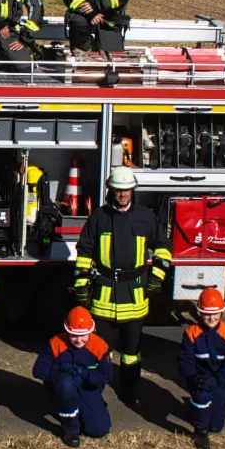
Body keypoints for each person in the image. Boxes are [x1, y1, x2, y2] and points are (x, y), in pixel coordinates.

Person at [72, 166, 171, 405]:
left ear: (132, 191)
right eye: (118, 190)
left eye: (127, 190)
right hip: (104, 293)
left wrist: (157, 276)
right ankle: (93, 389)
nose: (123, 194)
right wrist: (81, 283)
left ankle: (129, 390)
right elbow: (84, 251)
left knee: (131, 352)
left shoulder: (145, 217)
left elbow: (164, 247)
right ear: (111, 191)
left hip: (135, 293)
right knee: (98, 347)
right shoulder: (99, 217)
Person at [32, 306, 114, 448]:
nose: (78, 340)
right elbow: (38, 370)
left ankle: (91, 407)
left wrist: (83, 373)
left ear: (91, 331)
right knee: (65, 384)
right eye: (73, 335)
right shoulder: (56, 343)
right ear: (67, 331)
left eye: (83, 335)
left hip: (88, 387)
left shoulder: (99, 346)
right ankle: (70, 429)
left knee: (99, 430)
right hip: (64, 385)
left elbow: (106, 375)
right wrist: (59, 371)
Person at [177, 288, 225, 449]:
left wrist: (218, 379)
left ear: (222, 312)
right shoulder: (190, 333)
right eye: (206, 314)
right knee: (201, 396)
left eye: (216, 313)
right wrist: (194, 377)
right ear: (199, 313)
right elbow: (185, 361)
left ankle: (199, 411)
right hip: (199, 378)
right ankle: (200, 431)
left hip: (220, 380)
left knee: (216, 427)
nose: (211, 318)